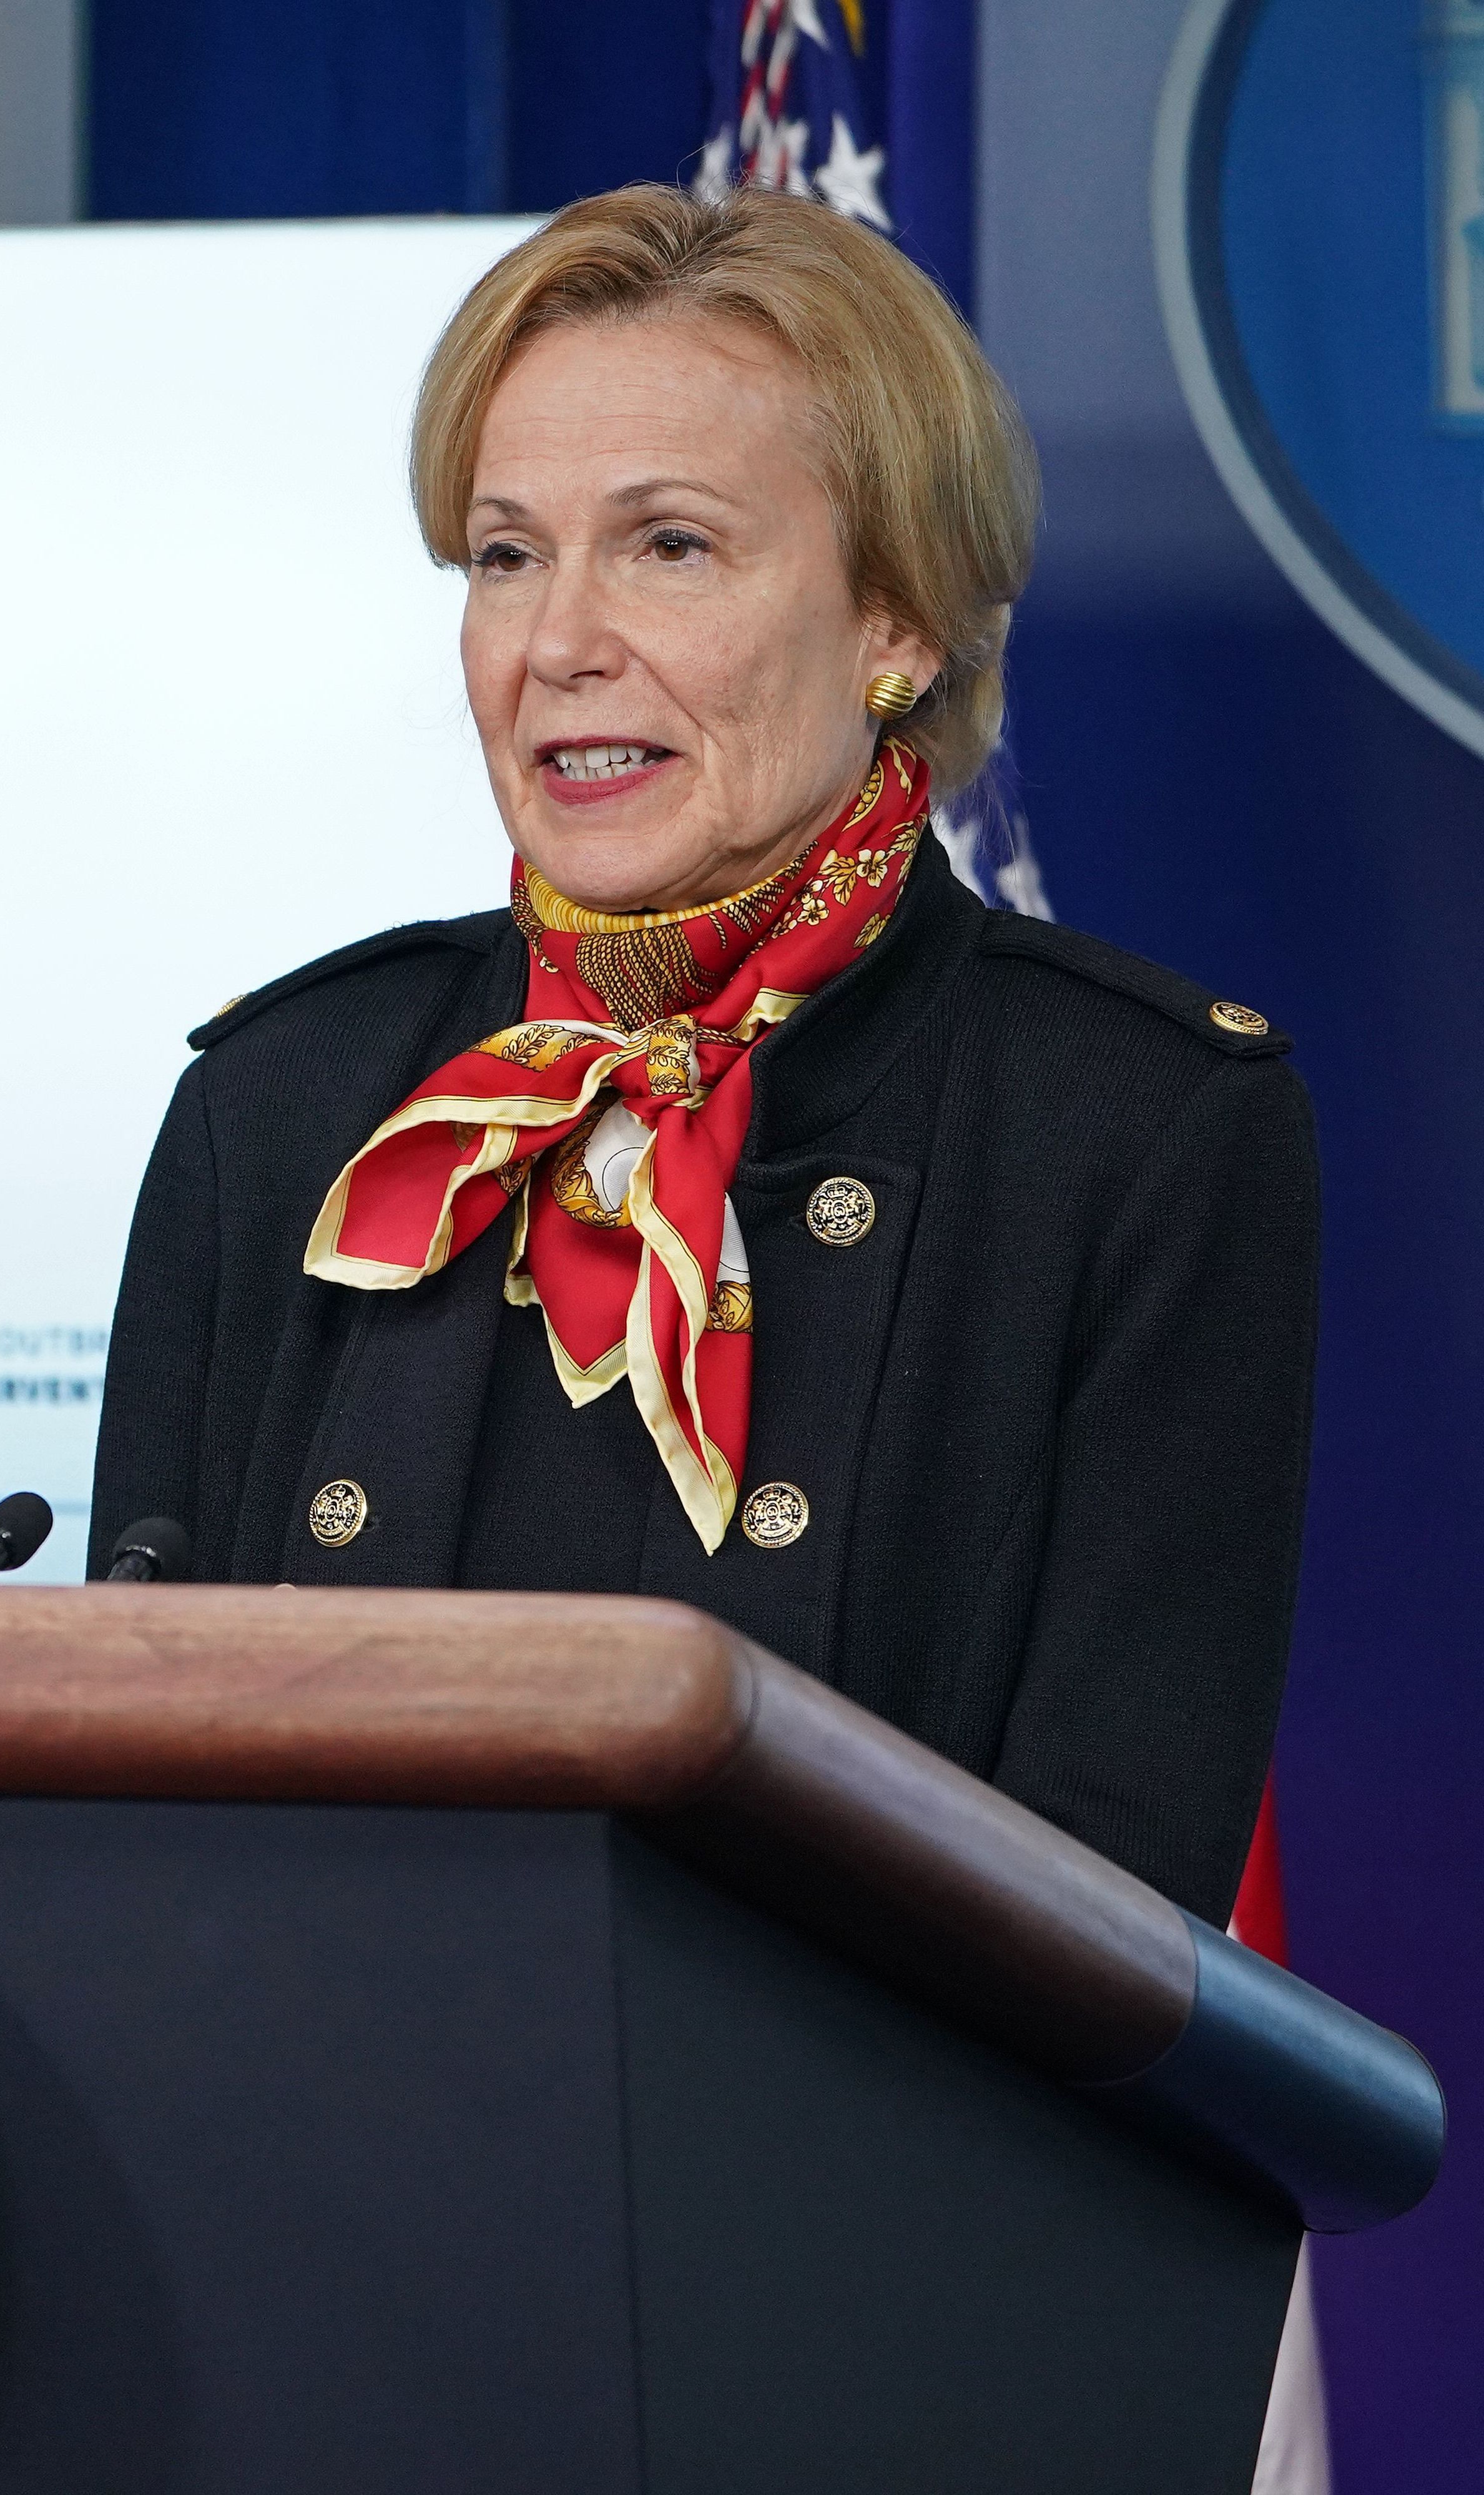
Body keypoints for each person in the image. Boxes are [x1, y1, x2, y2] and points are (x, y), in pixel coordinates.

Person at [87, 185, 1314, 1922]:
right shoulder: (284, 1105)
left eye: (668, 545)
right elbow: (143, 1841)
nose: (559, 644)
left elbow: (1114, 1916)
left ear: (895, 622)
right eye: (508, 555)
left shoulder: (1140, 1133)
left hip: (848, 2183)